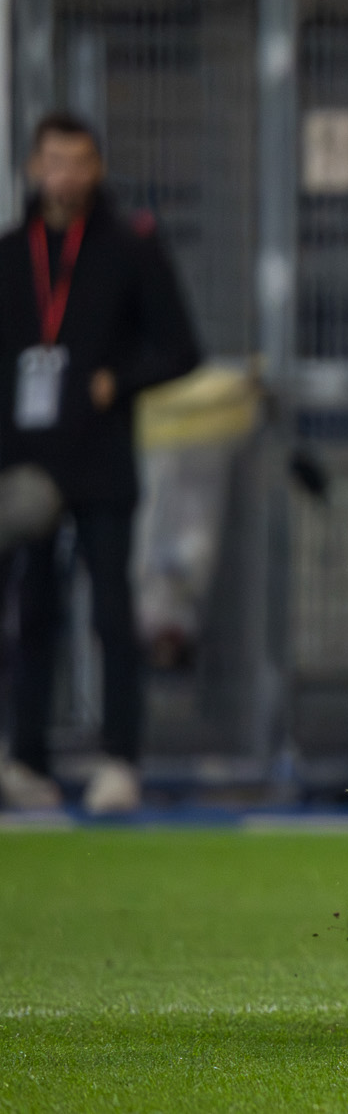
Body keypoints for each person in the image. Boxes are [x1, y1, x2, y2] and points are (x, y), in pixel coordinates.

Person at [0, 113, 200, 815]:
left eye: (80, 160)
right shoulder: (9, 254)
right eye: (54, 160)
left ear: (97, 168)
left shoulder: (128, 248)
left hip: (101, 464)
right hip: (23, 467)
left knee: (112, 612)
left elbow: (181, 347)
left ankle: (120, 759)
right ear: (33, 166)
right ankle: (24, 759)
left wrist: (119, 380)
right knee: (31, 614)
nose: (66, 174)